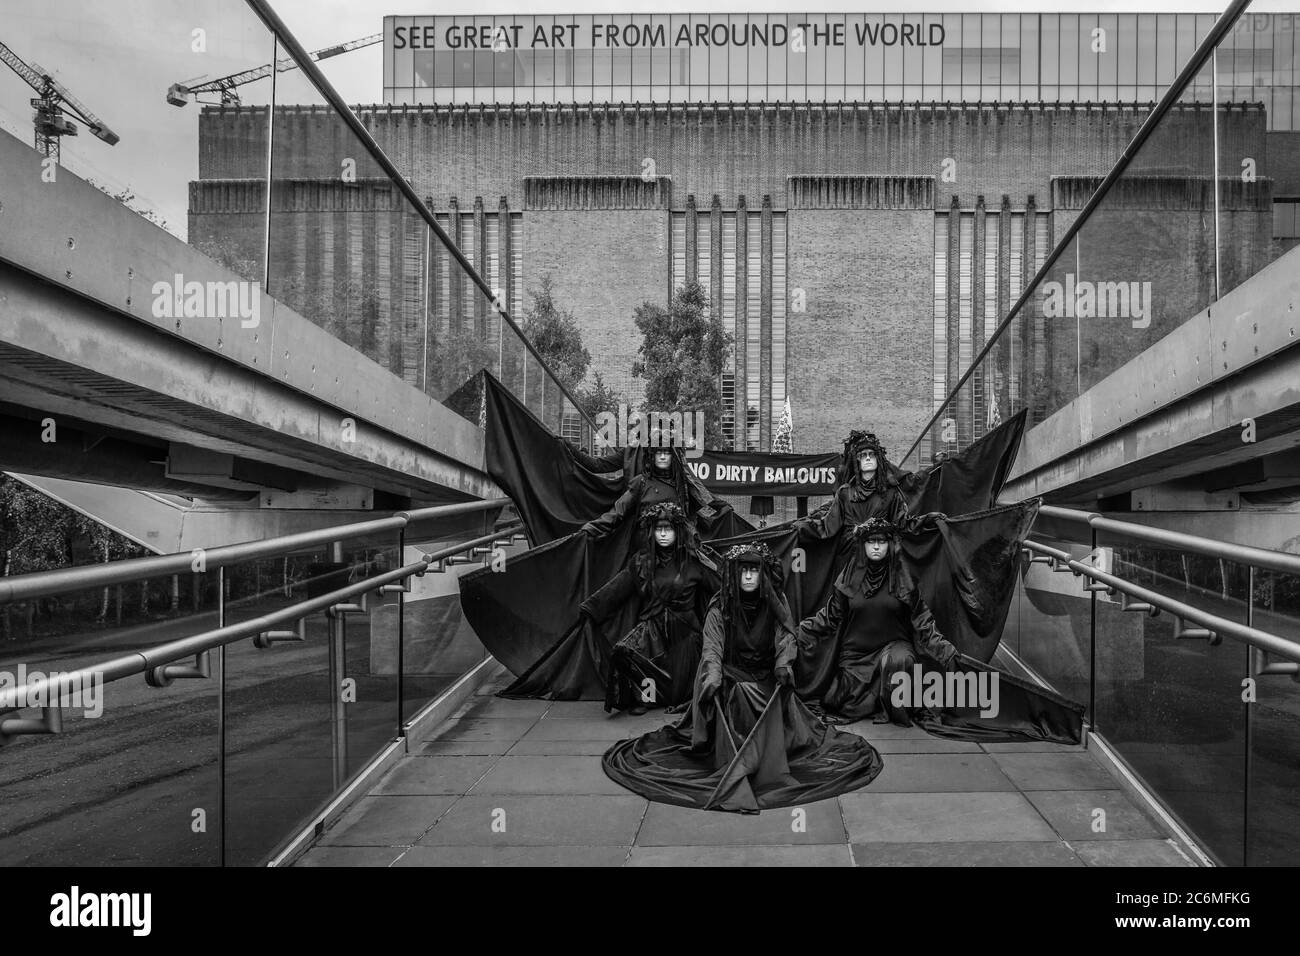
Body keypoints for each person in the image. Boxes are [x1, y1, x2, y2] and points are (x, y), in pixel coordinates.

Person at [601, 542, 884, 813]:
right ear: (734, 575)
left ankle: (761, 753)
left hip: (765, 675)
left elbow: (786, 634)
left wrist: (784, 664)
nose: (748, 576)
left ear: (762, 574)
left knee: (755, 692)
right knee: (736, 691)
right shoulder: (720, 605)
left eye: (754, 571)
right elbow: (712, 647)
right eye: (743, 571)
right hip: (730, 676)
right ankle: (738, 754)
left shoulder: (776, 602)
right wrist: (712, 677)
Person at [798, 517, 962, 727]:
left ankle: (892, 704)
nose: (876, 546)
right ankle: (872, 700)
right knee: (842, 700)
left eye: (881, 541)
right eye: (870, 541)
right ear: (862, 544)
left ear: (890, 545)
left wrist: (945, 651)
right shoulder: (849, 577)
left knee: (899, 661)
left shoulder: (903, 578)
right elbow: (828, 617)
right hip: (856, 656)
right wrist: (798, 633)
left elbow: (923, 622)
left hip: (893, 647)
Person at [579, 502, 717, 714]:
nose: (662, 534)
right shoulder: (641, 562)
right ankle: (647, 699)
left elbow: (719, 588)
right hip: (651, 626)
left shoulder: (694, 561)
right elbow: (618, 588)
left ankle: (672, 697)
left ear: (677, 531)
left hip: (686, 632)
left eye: (668, 529)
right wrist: (592, 608)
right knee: (628, 653)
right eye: (658, 529)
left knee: (680, 681)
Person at [579, 442, 703, 539]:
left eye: (666, 452)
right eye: (659, 453)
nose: (663, 457)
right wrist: (590, 529)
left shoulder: (682, 483)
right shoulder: (640, 480)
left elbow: (702, 501)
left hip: (677, 545)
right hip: (643, 537)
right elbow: (618, 511)